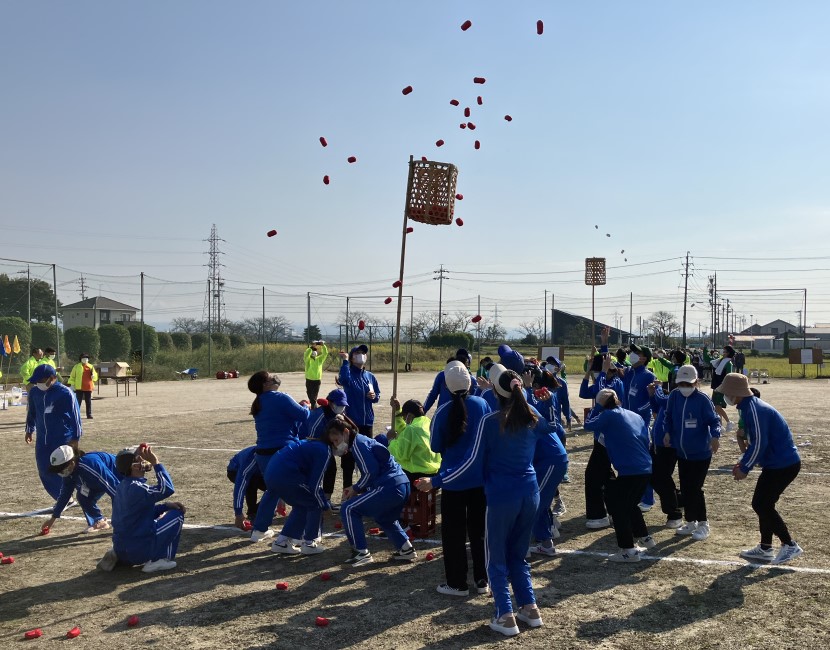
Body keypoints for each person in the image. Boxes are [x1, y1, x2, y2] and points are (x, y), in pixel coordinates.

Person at [418, 368, 546, 637]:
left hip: (502, 496)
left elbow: (471, 463)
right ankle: (530, 608)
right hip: (530, 492)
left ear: (494, 392)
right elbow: (554, 432)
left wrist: (437, 481)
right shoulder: (534, 417)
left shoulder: (492, 422)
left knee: (495, 558)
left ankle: (505, 614)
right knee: (518, 555)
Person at [717, 373, 803, 564]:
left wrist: (745, 467)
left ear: (736, 393)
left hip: (783, 464)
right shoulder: (748, 407)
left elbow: (760, 444)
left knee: (761, 504)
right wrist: (744, 461)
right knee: (764, 504)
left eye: (727, 392)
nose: (726, 396)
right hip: (778, 464)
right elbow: (755, 443)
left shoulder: (754, 409)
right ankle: (765, 548)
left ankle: (789, 544)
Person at [428, 360, 492, 597]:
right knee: (480, 531)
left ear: (446, 385)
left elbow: (435, 445)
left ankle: (457, 582)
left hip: (452, 481)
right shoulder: (482, 404)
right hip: (479, 480)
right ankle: (483, 579)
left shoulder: (443, 411)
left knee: (453, 533)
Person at [331, 419, 416, 566]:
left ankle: (361, 552)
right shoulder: (363, 441)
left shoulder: (358, 444)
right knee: (385, 518)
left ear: (346, 432)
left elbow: (371, 472)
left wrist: (355, 488)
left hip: (389, 486)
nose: (336, 444)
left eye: (336, 440)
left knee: (349, 508)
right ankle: (406, 548)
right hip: (402, 483)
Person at [584, 389, 654, 562]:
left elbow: (588, 424)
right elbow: (646, 440)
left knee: (618, 507)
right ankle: (645, 537)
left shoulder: (609, 415)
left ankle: (628, 550)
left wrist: (598, 406)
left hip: (629, 470)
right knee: (629, 504)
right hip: (645, 467)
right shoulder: (634, 415)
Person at [98, 444, 185, 573]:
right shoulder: (137, 487)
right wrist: (156, 463)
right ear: (134, 466)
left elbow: (141, 512)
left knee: (154, 520)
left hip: (121, 550)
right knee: (177, 515)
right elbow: (167, 488)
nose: (145, 461)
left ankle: (120, 556)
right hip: (139, 551)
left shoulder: (121, 487)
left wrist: (165, 506)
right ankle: (158, 560)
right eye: (140, 459)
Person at [247, 370, 310, 542]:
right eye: (270, 376)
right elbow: (304, 416)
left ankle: (259, 529)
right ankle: (296, 534)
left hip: (263, 453)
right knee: (299, 491)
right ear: (265, 384)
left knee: (273, 490)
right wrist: (305, 405)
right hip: (282, 452)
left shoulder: (259, 401)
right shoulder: (281, 397)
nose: (274, 376)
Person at [662, 365, 721, 540]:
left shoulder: (703, 400)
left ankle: (703, 523)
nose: (684, 387)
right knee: (686, 488)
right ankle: (691, 521)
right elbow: (668, 416)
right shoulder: (673, 396)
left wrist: (715, 437)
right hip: (681, 452)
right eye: (681, 383)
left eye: (688, 384)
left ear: (696, 382)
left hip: (701, 453)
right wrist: (667, 432)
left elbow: (714, 420)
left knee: (695, 488)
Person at [265, 433, 334, 555]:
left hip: (272, 473)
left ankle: (282, 542)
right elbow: (315, 485)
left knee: (302, 504)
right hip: (287, 475)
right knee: (315, 502)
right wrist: (324, 505)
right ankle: (309, 543)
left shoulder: (313, 445)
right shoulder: (324, 450)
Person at [25, 364, 83, 501]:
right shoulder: (34, 392)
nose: (38, 384)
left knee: (66, 469)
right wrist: (29, 429)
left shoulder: (66, 393)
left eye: (41, 380)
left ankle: (81, 493)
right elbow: (32, 411)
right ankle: (63, 498)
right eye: (36, 381)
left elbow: (76, 417)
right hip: (43, 440)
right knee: (44, 469)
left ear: (52, 378)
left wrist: (76, 437)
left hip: (62, 438)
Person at [579, 354, 624, 529]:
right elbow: (584, 392)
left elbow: (601, 390)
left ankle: (599, 516)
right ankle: (614, 510)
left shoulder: (615, 383)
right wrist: (589, 370)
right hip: (601, 436)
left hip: (609, 436)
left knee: (593, 475)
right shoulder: (602, 380)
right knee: (606, 475)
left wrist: (602, 371)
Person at [43, 445, 122, 533]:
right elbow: (65, 495)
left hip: (120, 475)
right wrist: (52, 519)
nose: (60, 473)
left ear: (72, 463)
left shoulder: (91, 465)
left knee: (124, 500)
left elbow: (115, 490)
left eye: (61, 469)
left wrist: (119, 521)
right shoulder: (70, 472)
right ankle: (99, 521)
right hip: (98, 482)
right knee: (83, 496)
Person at [302, 388, 353, 508]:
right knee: (325, 469)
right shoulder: (319, 415)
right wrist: (332, 449)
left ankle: (327, 499)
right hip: (311, 445)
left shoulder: (338, 415)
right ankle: (317, 500)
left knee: (333, 468)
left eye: (343, 405)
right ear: (330, 403)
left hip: (325, 445)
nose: (341, 407)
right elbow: (311, 438)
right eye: (339, 405)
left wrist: (339, 446)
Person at [338, 344, 380, 486]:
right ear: (351, 357)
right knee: (348, 457)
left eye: (363, 353)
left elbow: (377, 396)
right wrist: (344, 362)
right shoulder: (348, 373)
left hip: (367, 421)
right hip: (351, 422)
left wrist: (374, 396)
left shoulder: (370, 376)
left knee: (367, 456)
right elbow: (343, 380)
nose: (361, 355)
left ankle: (366, 487)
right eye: (357, 353)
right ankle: (347, 488)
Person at [387, 397, 440, 482]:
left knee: (388, 464)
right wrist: (397, 411)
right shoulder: (428, 422)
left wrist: (391, 441)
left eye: (404, 417)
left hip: (416, 474)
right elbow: (404, 431)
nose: (404, 420)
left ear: (409, 415)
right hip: (435, 471)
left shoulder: (411, 429)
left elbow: (400, 455)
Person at [227, 445, 266, 530]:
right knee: (251, 483)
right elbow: (240, 486)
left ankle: (257, 510)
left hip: (258, 472)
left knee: (276, 486)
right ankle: (253, 512)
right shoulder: (251, 459)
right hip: (235, 470)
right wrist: (238, 513)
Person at [423, 349, 474, 413]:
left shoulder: (442, 375)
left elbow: (433, 395)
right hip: (464, 416)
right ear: (467, 364)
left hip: (443, 412)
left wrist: (423, 410)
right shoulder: (471, 379)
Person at [707, 345, 735, 431]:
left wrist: (723, 386)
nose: (724, 353)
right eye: (723, 351)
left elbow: (728, 376)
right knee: (716, 407)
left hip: (721, 387)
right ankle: (720, 425)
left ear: (729, 353)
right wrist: (705, 349)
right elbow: (708, 360)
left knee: (717, 406)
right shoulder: (719, 361)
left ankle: (729, 422)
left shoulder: (728, 363)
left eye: (725, 352)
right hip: (716, 386)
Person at [68, 352, 98, 419]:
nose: (85, 359)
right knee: (78, 402)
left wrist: (94, 376)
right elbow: (72, 376)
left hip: (88, 386)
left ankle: (89, 414)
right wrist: (72, 384)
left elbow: (95, 376)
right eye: (83, 358)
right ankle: (76, 414)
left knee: (88, 402)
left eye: (86, 358)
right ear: (80, 359)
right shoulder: (76, 367)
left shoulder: (91, 366)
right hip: (79, 387)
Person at [304, 340, 329, 406]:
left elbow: (325, 353)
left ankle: (313, 405)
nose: (314, 352)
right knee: (309, 393)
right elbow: (306, 354)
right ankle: (313, 404)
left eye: (315, 351)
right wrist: (311, 347)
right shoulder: (308, 360)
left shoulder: (319, 359)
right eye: (313, 351)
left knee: (314, 394)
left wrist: (323, 346)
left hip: (317, 379)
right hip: (309, 379)